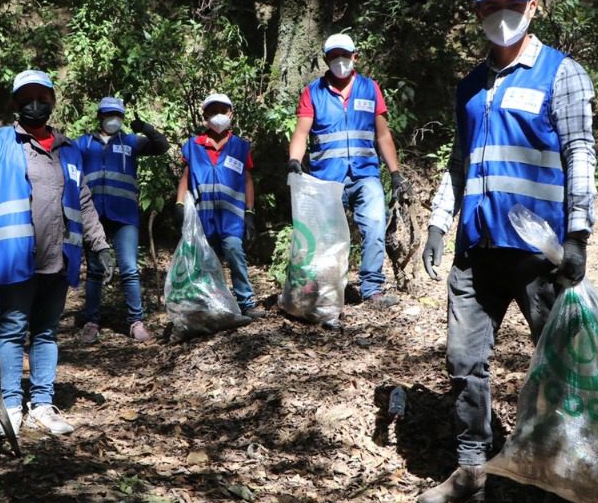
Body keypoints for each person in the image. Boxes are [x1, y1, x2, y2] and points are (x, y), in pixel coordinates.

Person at [415, 0, 596, 503]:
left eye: (511, 5)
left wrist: (578, 233)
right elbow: (459, 162)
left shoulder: (560, 74)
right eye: (490, 6)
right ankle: (472, 467)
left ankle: (557, 485)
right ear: (477, 13)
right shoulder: (470, 86)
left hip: (538, 256)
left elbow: (580, 152)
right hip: (476, 249)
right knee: (464, 361)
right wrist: (439, 223)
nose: (501, 16)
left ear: (533, 7)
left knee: (555, 365)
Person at [0, 69, 114, 436]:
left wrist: (100, 244)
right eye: (26, 99)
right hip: (15, 256)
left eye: (41, 97)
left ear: (53, 101)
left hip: (58, 258)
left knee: (46, 332)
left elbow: (83, 201)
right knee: (12, 330)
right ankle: (11, 403)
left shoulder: (68, 150)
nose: (35, 104)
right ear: (15, 104)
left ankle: (42, 403)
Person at [287, 33, 413, 309]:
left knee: (375, 227)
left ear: (355, 56)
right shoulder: (313, 92)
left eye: (345, 55)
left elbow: (383, 135)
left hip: (365, 174)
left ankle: (371, 289)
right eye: (334, 56)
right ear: (326, 60)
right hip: (327, 178)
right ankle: (324, 290)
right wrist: (295, 161)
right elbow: (301, 132)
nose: (340, 61)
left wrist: (395, 172)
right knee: (324, 237)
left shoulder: (370, 89)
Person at [75, 97, 170, 343]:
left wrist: (146, 128)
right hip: (93, 216)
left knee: (129, 269)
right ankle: (92, 322)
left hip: (124, 215)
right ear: (100, 117)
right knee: (95, 270)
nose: (113, 119)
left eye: (117, 115)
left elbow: (162, 146)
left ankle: (136, 321)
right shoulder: (83, 144)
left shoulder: (130, 142)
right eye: (108, 115)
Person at [174, 93, 265, 319]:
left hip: (232, 217)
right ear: (204, 116)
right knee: (208, 260)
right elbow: (186, 176)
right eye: (212, 111)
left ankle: (246, 302)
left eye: (222, 111)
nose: (218, 116)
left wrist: (250, 211)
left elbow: (247, 180)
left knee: (234, 251)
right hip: (203, 217)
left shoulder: (240, 146)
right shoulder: (193, 146)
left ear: (231, 114)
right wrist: (179, 203)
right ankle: (214, 305)